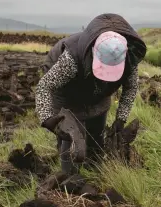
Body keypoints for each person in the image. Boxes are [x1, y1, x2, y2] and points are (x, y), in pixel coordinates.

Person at [35, 13, 147, 174]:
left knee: (96, 135)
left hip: (99, 93)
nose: (106, 74)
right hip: (68, 92)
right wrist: (48, 119)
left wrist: (121, 118)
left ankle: (94, 171)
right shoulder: (72, 59)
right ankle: (69, 178)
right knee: (71, 136)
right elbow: (45, 86)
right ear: (94, 52)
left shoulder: (128, 58)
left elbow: (130, 88)